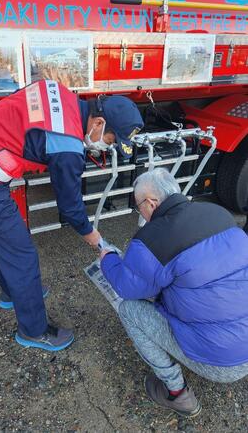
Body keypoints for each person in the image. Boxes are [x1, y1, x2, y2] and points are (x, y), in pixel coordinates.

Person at [0, 79, 144, 352]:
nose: (105, 146)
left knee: (6, 240)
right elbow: (70, 206)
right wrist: (91, 234)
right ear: (98, 123)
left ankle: (13, 293)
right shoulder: (68, 148)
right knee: (22, 254)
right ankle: (34, 330)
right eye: (111, 140)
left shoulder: (60, 92)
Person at [100, 168, 248, 417]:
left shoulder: (152, 239)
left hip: (224, 362)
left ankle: (177, 393)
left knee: (129, 309)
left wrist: (109, 259)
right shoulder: (219, 214)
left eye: (140, 208)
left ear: (151, 202)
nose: (142, 215)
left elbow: (126, 287)